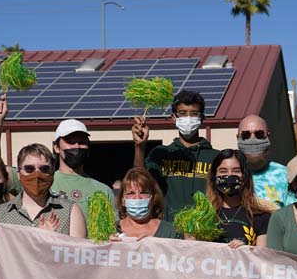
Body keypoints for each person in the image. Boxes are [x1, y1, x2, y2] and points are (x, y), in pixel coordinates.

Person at [0, 144, 87, 261]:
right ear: (19, 174)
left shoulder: (70, 211)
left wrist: (51, 242)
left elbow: (79, 262)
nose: (37, 174)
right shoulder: (0, 214)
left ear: (52, 173)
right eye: (29, 169)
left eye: (44, 169)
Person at [132, 89, 219, 217]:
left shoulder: (216, 157)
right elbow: (139, 181)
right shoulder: (161, 154)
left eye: (194, 113)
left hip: (205, 232)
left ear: (202, 118)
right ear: (174, 117)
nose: (188, 118)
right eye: (182, 113)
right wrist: (139, 146)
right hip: (169, 231)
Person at [204, 149, 275, 247]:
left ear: (245, 176)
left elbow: (261, 258)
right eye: (223, 171)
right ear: (214, 177)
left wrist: (244, 251)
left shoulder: (261, 217)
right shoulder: (203, 216)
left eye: (236, 171)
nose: (229, 175)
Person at [236, 114, 293, 207]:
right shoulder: (229, 174)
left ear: (268, 136)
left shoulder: (285, 175)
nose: (252, 139)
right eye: (246, 135)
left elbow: (294, 216)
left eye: (259, 134)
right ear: (238, 138)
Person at [115, 168, 179, 240]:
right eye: (131, 193)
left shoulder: (169, 232)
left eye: (144, 193)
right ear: (123, 200)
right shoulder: (110, 230)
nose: (137, 198)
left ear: (153, 199)